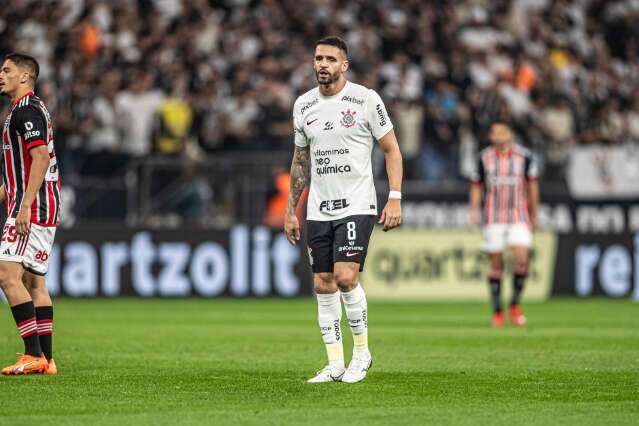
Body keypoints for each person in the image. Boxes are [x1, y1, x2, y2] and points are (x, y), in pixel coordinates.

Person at [284, 36, 403, 383]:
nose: (322, 64)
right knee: (323, 284)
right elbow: (300, 161)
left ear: (344, 65)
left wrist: (394, 196)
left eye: (330, 59)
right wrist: (292, 209)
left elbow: (392, 149)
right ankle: (335, 363)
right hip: (319, 207)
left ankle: (362, 354)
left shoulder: (365, 100)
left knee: (346, 277)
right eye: (318, 58)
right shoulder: (303, 105)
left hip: (356, 202)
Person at [0, 53, 60, 375]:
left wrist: (23, 206)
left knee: (6, 275)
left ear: (25, 77)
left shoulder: (25, 111)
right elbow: (18, 173)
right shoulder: (29, 110)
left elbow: (39, 158)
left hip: (32, 207)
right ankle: (47, 360)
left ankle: (32, 354)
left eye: (7, 70)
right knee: (33, 281)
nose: (1, 74)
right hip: (40, 203)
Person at [469, 122, 539, 327]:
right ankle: (498, 310)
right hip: (493, 218)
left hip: (519, 216)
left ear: (511, 134)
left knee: (521, 257)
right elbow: (476, 186)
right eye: (495, 132)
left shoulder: (525, 157)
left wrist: (534, 213)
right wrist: (473, 210)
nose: (499, 135)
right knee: (496, 264)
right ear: (491, 137)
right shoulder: (484, 158)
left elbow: (532, 187)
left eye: (503, 131)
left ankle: (515, 306)